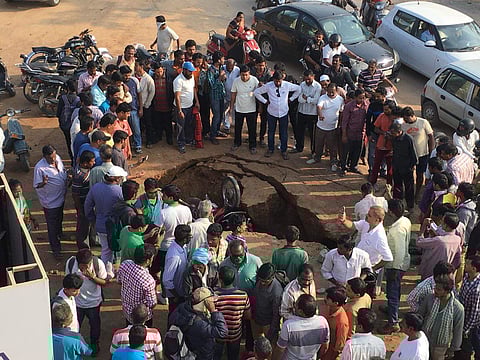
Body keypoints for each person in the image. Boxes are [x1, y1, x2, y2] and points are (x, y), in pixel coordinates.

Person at [84, 165, 126, 276]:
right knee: (111, 250)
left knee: (106, 249)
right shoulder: (119, 191)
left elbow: (87, 206)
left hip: (100, 224)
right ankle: (107, 272)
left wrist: (93, 220)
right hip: (114, 226)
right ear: (116, 179)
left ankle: (108, 270)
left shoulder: (96, 187)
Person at [64, 249, 107, 355]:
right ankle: (75, 346)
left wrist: (92, 277)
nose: (85, 268)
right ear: (78, 263)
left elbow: (104, 282)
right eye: (82, 266)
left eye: (87, 265)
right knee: (74, 326)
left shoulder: (98, 264)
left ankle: (94, 344)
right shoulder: (70, 263)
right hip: (77, 303)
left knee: (95, 325)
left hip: (94, 303)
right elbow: (68, 281)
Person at [168, 287, 229, 360]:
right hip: (201, 355)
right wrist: (213, 311)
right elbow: (222, 331)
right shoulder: (199, 324)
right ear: (205, 303)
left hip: (189, 348)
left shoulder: (183, 307)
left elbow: (171, 319)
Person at [254, 70, 301, 160]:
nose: (278, 83)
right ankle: (270, 149)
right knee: (271, 131)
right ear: (273, 80)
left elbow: (299, 89)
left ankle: (284, 150)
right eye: (276, 81)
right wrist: (265, 101)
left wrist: (291, 99)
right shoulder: (268, 86)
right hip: (272, 112)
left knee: (283, 133)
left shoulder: (287, 85)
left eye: (279, 81)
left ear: (282, 79)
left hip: (283, 112)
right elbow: (256, 92)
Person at [382, 199, 411, 334]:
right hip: (403, 262)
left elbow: (398, 252)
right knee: (396, 289)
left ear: (392, 213)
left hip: (395, 265)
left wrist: (395, 268)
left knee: (392, 291)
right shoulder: (405, 221)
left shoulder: (395, 231)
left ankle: (393, 322)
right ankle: (392, 309)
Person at [33, 144, 68, 259]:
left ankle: (60, 234)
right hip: (50, 203)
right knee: (52, 226)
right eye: (50, 158)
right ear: (45, 157)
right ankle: (56, 250)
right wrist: (43, 183)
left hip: (61, 198)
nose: (53, 159)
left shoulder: (57, 158)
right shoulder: (39, 168)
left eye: (54, 156)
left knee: (59, 219)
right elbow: (37, 186)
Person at [418, 276, 464, 359]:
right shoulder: (429, 299)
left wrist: (452, 349)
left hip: (441, 346)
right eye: (435, 288)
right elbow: (419, 317)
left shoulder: (458, 309)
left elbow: (458, 331)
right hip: (424, 340)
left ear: (447, 291)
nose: (435, 291)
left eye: (439, 290)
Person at [275, 294, 330, 360]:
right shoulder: (323, 323)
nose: (294, 305)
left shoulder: (289, 326)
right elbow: (325, 347)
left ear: (301, 311)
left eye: (296, 304)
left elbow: (280, 349)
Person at [214, 266, 252, 360]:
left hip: (218, 334)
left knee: (216, 355)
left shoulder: (214, 296)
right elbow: (248, 316)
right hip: (235, 333)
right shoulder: (243, 295)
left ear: (220, 279)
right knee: (233, 356)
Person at [306, 83, 344, 169]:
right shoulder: (322, 98)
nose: (330, 94)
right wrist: (320, 115)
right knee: (319, 144)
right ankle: (317, 158)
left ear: (336, 91)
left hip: (332, 127)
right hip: (321, 126)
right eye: (329, 92)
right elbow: (319, 107)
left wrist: (339, 125)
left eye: (332, 92)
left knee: (332, 146)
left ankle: (333, 162)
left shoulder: (340, 99)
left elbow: (341, 112)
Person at [118, 244, 157, 326]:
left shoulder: (125, 264)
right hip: (142, 317)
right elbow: (152, 303)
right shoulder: (148, 280)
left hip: (127, 311)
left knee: (129, 331)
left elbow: (119, 281)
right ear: (148, 260)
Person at [401, 106, 435, 200]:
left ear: (411, 115)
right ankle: (409, 192)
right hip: (409, 155)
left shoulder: (423, 122)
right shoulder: (403, 126)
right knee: (408, 174)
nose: (404, 120)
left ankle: (417, 193)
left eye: (406, 118)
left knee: (420, 175)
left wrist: (431, 152)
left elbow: (431, 136)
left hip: (422, 154)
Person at [417, 212, 462, 280]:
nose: (441, 223)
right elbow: (457, 259)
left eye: (443, 222)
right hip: (444, 273)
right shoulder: (457, 239)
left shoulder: (439, 240)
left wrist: (423, 229)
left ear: (446, 226)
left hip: (430, 271)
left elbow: (419, 242)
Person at [158, 184, 192, 265]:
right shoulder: (186, 209)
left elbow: (157, 231)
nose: (162, 197)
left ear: (171, 198)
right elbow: (189, 226)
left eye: (164, 196)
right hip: (182, 246)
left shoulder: (163, 213)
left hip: (166, 247)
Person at [252, 263, 284, 345]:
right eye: (261, 280)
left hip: (268, 324)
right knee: (257, 344)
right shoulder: (258, 280)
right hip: (256, 319)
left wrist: (272, 331)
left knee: (269, 346)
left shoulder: (276, 292)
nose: (262, 283)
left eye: (265, 281)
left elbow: (276, 314)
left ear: (272, 278)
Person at [230, 64, 259, 154]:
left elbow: (259, 92)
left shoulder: (254, 80)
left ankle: (252, 145)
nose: (244, 77)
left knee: (252, 128)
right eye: (243, 75)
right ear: (240, 74)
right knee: (238, 127)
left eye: (246, 75)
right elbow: (233, 94)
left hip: (251, 109)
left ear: (249, 73)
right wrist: (231, 107)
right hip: (239, 108)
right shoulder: (236, 81)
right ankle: (237, 143)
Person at [389, 122, 418, 211]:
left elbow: (413, 154)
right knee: (397, 187)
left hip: (406, 168)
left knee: (409, 188)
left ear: (399, 131)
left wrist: (412, 166)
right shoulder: (393, 138)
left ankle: (410, 206)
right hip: (396, 166)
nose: (392, 134)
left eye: (393, 133)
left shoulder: (408, 139)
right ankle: (398, 206)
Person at [340, 88, 369, 175]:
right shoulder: (349, 106)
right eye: (360, 98)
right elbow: (344, 122)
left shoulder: (366, 105)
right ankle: (343, 167)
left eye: (363, 97)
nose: (362, 100)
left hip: (360, 134)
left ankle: (354, 167)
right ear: (355, 97)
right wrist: (344, 135)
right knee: (346, 151)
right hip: (350, 133)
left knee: (357, 151)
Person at [292, 69, 321, 155]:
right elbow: (299, 99)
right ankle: (299, 147)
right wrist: (309, 99)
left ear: (313, 77)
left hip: (312, 114)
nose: (307, 81)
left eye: (309, 79)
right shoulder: (302, 85)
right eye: (306, 79)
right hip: (302, 111)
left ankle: (313, 151)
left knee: (312, 134)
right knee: (300, 131)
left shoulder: (317, 86)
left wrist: (306, 98)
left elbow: (316, 101)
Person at [163, 224, 191, 313]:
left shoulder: (181, 247)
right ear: (185, 239)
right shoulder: (174, 256)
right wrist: (176, 296)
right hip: (176, 295)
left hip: (180, 292)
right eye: (190, 236)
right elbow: (167, 280)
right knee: (174, 318)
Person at [369, 100, 397, 186]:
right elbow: (375, 128)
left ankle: (389, 185)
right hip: (381, 145)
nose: (385, 111)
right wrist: (383, 133)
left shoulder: (396, 119)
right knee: (376, 165)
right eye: (384, 109)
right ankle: (373, 183)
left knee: (390, 168)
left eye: (387, 110)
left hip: (391, 147)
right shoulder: (381, 116)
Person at [173, 61, 198, 154]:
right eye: (189, 71)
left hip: (190, 106)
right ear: (184, 70)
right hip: (181, 107)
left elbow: (193, 89)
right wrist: (179, 110)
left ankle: (188, 140)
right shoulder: (178, 81)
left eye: (192, 71)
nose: (191, 73)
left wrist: (197, 102)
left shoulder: (191, 78)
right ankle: (181, 144)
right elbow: (177, 96)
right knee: (181, 127)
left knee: (189, 124)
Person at [458, 255, 480, 359]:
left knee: (470, 344)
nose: (465, 265)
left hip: (472, 324)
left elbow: (474, 313)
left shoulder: (477, 289)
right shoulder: (466, 277)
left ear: (474, 268)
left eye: (467, 264)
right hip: (463, 317)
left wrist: (466, 329)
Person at [321, 286, 350, 360]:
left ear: (335, 303)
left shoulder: (342, 322)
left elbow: (340, 344)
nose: (324, 299)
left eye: (327, 298)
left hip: (329, 353)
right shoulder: (328, 307)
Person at [56, 79, 80, 161]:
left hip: (65, 125)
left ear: (68, 88)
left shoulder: (63, 98)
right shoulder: (79, 99)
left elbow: (58, 113)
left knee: (68, 142)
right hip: (76, 125)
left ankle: (72, 158)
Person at [135, 59, 155, 150]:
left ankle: (149, 140)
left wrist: (147, 104)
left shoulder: (148, 79)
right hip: (136, 105)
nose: (135, 67)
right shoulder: (134, 77)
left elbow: (152, 92)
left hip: (146, 105)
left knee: (148, 124)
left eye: (136, 66)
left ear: (141, 67)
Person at [151, 62, 173, 145]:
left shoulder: (169, 78)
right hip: (156, 105)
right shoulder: (152, 78)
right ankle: (158, 136)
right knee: (158, 122)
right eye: (157, 72)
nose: (159, 74)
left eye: (160, 71)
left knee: (168, 123)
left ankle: (169, 138)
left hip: (167, 104)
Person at [208, 51, 227, 145]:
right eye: (223, 58)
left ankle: (217, 130)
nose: (224, 60)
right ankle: (213, 135)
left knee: (221, 115)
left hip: (221, 95)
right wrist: (220, 77)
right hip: (214, 96)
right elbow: (212, 85)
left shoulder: (221, 68)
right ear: (219, 60)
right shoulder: (210, 70)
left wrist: (223, 78)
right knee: (216, 116)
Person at [456, 182, 478, 247]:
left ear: (460, 192)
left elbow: (460, 229)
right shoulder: (472, 205)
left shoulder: (464, 211)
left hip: (463, 243)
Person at [222, 58, 240, 134]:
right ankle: (226, 126)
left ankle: (235, 123)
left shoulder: (237, 70)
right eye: (228, 67)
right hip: (225, 94)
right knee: (224, 110)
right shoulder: (222, 68)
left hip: (235, 94)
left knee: (235, 110)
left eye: (231, 68)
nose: (229, 69)